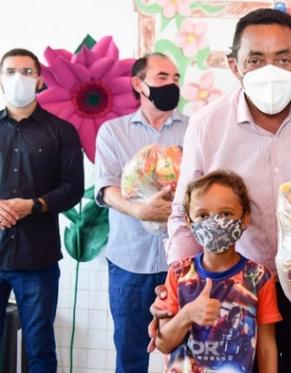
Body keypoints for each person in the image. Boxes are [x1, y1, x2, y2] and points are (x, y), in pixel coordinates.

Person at [156, 8, 291, 373]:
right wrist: (177, 287)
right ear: (234, 65)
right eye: (256, 59)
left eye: (283, 58)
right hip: (233, 292)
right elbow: (183, 213)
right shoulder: (207, 126)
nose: (271, 70)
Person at [94, 52, 188, 372]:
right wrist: (140, 210)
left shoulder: (195, 130)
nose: (171, 85)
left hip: (183, 262)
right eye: (162, 78)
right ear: (139, 84)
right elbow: (106, 189)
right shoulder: (113, 132)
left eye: (175, 79)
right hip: (129, 263)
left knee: (186, 354)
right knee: (131, 353)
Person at [0, 48, 84, 373]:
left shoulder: (61, 132)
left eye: (26, 71)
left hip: (37, 259)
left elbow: (72, 188)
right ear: (1, 79)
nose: (18, 78)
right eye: (10, 71)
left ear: (39, 80)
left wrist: (33, 206)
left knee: (40, 349)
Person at [155, 170, 280, 373]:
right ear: (189, 221)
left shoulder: (259, 278)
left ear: (245, 218)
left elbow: (266, 348)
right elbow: (163, 343)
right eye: (203, 215)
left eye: (226, 213)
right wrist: (187, 314)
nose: (214, 223)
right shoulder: (178, 274)